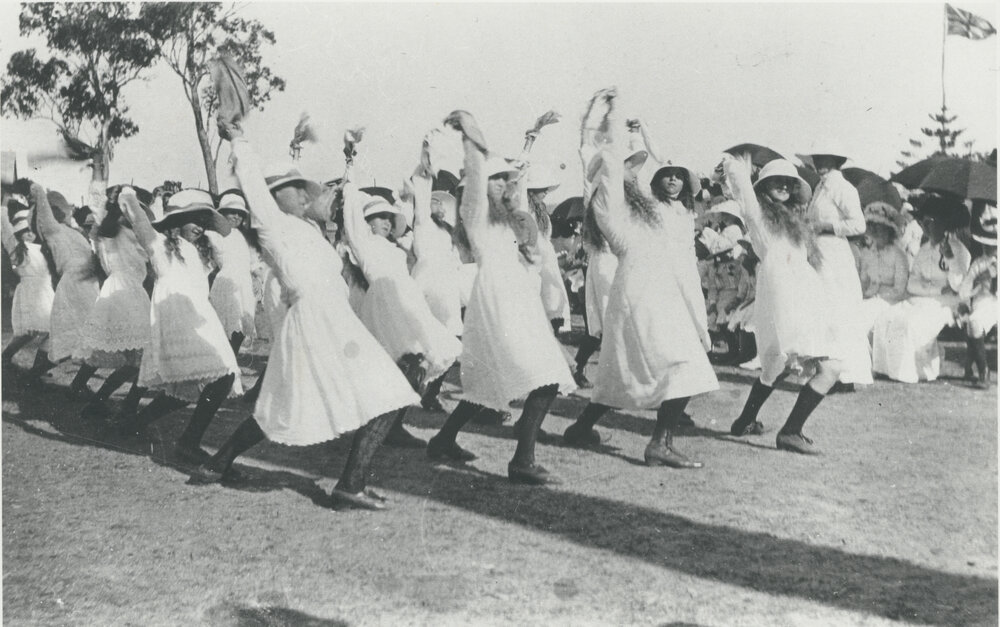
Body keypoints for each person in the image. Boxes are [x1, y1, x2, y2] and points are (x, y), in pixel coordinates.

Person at [195, 125, 419, 511]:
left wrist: (350, 158)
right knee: (390, 392)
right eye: (295, 188)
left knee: (283, 404)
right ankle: (351, 484)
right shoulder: (271, 225)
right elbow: (252, 181)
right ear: (273, 195)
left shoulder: (308, 229)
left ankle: (218, 463)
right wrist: (238, 140)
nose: (304, 194)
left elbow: (340, 197)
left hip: (330, 320)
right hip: (317, 320)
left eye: (305, 188)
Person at [562, 88, 716, 467]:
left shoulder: (642, 207)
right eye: (630, 165)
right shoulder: (607, 199)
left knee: (616, 373)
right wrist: (612, 116)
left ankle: (580, 429)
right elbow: (610, 163)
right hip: (638, 293)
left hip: (650, 291)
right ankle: (659, 443)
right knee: (687, 363)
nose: (635, 170)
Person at [426, 110, 575, 485]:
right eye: (495, 181)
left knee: (485, 385)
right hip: (498, 302)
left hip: (514, 301)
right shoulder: (474, 214)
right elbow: (475, 176)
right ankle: (523, 461)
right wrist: (471, 136)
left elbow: (520, 182)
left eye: (503, 181)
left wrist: (532, 136)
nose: (501, 186)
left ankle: (443, 439)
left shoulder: (509, 218)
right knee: (545, 376)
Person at [723, 152, 844, 455]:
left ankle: (745, 420)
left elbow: (807, 262)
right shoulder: (759, 216)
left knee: (776, 366)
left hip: (805, 297)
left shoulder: (796, 223)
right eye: (775, 182)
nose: (783, 187)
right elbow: (743, 193)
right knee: (829, 367)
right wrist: (735, 166)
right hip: (783, 297)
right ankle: (790, 431)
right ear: (762, 187)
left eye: (788, 183)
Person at [343, 141, 461, 447]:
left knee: (416, 365)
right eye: (378, 217)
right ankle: (378, 428)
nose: (384, 222)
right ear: (366, 222)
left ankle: (392, 427)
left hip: (407, 303)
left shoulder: (399, 245)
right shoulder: (363, 245)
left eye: (387, 218)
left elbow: (416, 208)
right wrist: (351, 162)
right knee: (396, 367)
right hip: (385, 306)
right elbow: (351, 206)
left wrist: (423, 166)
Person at [116, 188, 242, 463]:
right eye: (192, 219)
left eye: (203, 222)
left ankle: (135, 423)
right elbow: (138, 220)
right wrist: (127, 195)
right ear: (176, 221)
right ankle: (188, 441)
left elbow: (228, 245)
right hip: (176, 317)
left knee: (193, 385)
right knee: (220, 377)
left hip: (200, 317)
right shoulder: (159, 244)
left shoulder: (202, 252)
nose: (199, 227)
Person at [871, 196, 972, 384]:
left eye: (930, 222)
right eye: (922, 222)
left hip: (944, 304)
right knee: (886, 318)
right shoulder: (924, 249)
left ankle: (909, 372)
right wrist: (935, 288)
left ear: (943, 224)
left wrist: (950, 258)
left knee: (910, 323)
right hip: (920, 299)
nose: (925, 227)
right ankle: (885, 369)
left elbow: (959, 286)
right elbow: (912, 283)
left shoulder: (959, 250)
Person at [75, 188, 153, 420]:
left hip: (126, 292)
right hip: (125, 293)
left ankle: (103, 403)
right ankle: (111, 405)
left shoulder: (117, 232)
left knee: (138, 358)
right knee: (141, 358)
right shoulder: (118, 231)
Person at [20, 182, 101, 395]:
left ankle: (75, 383)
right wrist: (38, 192)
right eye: (53, 209)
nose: (57, 212)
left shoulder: (73, 232)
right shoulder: (52, 232)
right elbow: (45, 215)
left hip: (90, 285)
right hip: (75, 286)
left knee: (95, 337)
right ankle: (34, 376)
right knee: (77, 338)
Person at [804, 147, 872, 391]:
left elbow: (858, 225)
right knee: (825, 314)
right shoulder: (819, 189)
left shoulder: (843, 188)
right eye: (817, 158)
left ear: (836, 161)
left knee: (840, 314)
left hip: (836, 258)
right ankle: (828, 374)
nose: (820, 162)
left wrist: (826, 226)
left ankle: (845, 376)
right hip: (819, 257)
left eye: (826, 159)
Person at [1, 200, 55, 368]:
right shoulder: (18, 248)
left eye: (31, 230)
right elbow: (6, 229)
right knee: (27, 332)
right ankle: (5, 356)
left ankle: (38, 367)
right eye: (25, 231)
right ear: (18, 234)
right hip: (30, 292)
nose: (29, 234)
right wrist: (3, 206)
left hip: (47, 292)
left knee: (53, 329)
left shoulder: (45, 248)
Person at [208, 189, 257, 356]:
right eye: (232, 213)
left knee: (243, 327)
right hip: (227, 285)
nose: (236, 217)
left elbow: (252, 261)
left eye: (240, 214)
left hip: (245, 285)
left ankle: (231, 360)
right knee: (229, 326)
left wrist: (256, 277)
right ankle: (225, 363)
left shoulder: (243, 237)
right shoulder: (214, 234)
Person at [856, 202, 909, 339]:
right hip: (870, 298)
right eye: (874, 227)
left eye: (881, 228)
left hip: (891, 301)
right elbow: (863, 282)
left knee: (864, 316)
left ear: (890, 230)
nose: (877, 232)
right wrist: (863, 296)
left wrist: (877, 298)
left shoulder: (898, 255)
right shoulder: (867, 253)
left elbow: (899, 289)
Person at [957, 203, 996, 388]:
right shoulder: (979, 263)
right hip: (986, 302)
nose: (989, 249)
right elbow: (966, 284)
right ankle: (983, 370)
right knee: (973, 321)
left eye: (993, 245)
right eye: (985, 245)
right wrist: (965, 299)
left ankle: (969, 362)